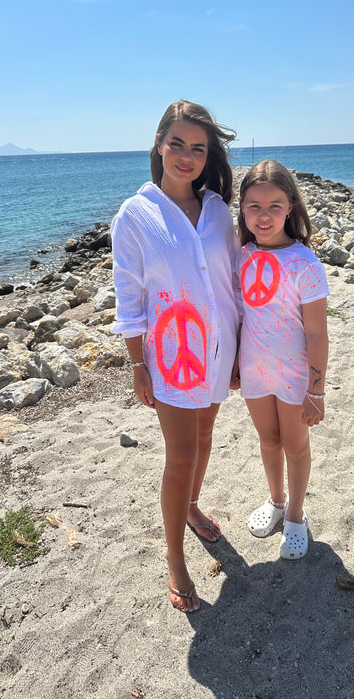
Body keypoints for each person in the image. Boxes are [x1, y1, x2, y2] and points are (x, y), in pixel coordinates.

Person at [111, 100, 240, 612]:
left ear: (209, 157)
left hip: (220, 348)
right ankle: (175, 559)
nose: (186, 156)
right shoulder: (135, 215)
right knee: (181, 455)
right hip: (171, 358)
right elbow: (129, 296)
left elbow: (231, 282)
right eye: (177, 144)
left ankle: (190, 507)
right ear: (159, 144)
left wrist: (239, 350)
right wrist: (137, 364)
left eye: (198, 149)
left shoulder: (218, 210)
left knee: (205, 438)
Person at [236, 159, 329, 559]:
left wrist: (316, 391)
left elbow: (317, 332)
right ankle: (276, 501)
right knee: (269, 440)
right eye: (254, 206)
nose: (264, 216)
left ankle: (295, 514)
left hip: (294, 374)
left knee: (295, 445)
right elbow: (239, 314)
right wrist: (235, 365)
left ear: (290, 207)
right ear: (242, 208)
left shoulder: (304, 262)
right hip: (255, 368)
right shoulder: (242, 255)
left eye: (274, 206)